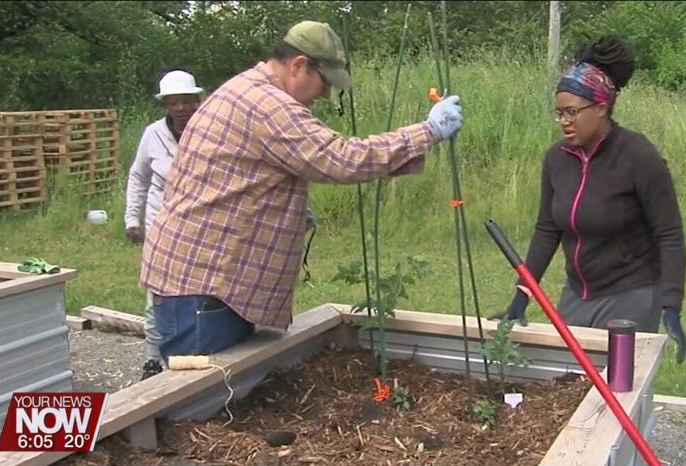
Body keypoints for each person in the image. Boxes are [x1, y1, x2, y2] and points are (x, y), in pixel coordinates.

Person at [138, 20, 464, 362]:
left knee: (216, 397)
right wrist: (427, 132)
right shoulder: (268, 104)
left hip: (207, 283)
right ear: (298, 65)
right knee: (196, 403)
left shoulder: (247, 90)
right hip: (203, 288)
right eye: (324, 82)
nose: (325, 93)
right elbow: (341, 159)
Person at [489, 35, 686, 363]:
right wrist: (522, 295)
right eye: (559, 113)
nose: (565, 121)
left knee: (617, 390)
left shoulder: (639, 156)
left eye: (572, 112)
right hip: (578, 294)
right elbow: (547, 229)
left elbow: (669, 234)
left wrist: (671, 306)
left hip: (631, 294)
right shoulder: (556, 159)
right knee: (567, 384)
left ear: (601, 107)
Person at [124, 69, 205, 379]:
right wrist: (132, 218)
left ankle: (196, 350)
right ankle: (153, 359)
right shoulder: (153, 134)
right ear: (166, 105)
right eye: (175, 102)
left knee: (198, 292)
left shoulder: (209, 132)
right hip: (161, 225)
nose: (182, 108)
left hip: (199, 226)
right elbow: (139, 176)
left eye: (188, 102)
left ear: (198, 102)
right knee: (157, 293)